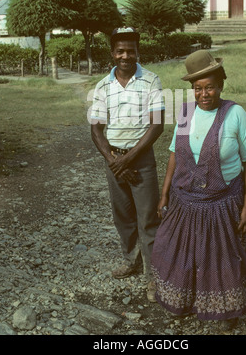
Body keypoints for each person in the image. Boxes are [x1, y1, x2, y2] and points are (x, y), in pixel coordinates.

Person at [151, 49, 246, 328]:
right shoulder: (186, 113)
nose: (204, 94)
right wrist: (164, 193)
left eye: (210, 87)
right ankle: (186, 301)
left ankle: (228, 311)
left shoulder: (235, 114)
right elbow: (175, 155)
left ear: (221, 85)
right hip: (185, 200)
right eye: (198, 88)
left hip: (222, 201)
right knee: (182, 250)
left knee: (221, 256)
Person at [90, 27, 164, 302]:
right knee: (123, 216)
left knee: (148, 218)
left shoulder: (151, 81)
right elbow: (96, 130)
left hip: (140, 159)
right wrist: (114, 161)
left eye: (130, 51)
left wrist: (128, 159)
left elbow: (157, 126)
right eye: (119, 51)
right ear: (112, 52)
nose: (125, 56)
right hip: (115, 161)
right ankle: (132, 261)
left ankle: (153, 277)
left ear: (137, 51)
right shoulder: (101, 87)